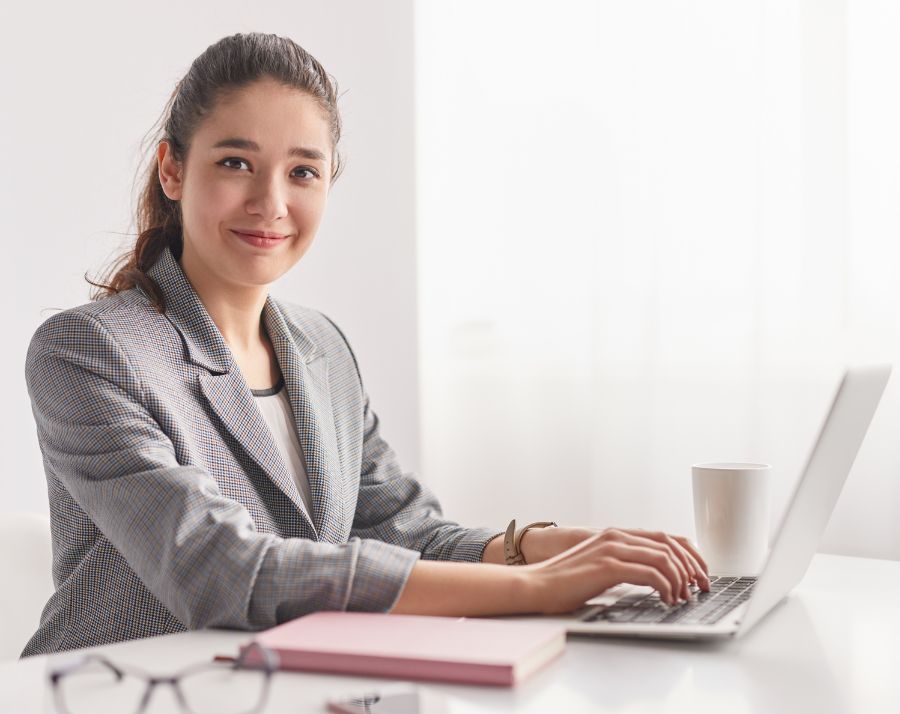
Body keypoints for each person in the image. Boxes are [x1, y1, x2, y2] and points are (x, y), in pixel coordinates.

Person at [21, 32, 709, 658]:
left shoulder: (321, 349)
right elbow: (227, 571)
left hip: (295, 693)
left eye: (303, 171)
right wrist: (539, 590)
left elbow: (407, 535)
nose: (271, 202)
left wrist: (555, 547)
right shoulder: (88, 352)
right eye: (237, 162)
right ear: (173, 170)